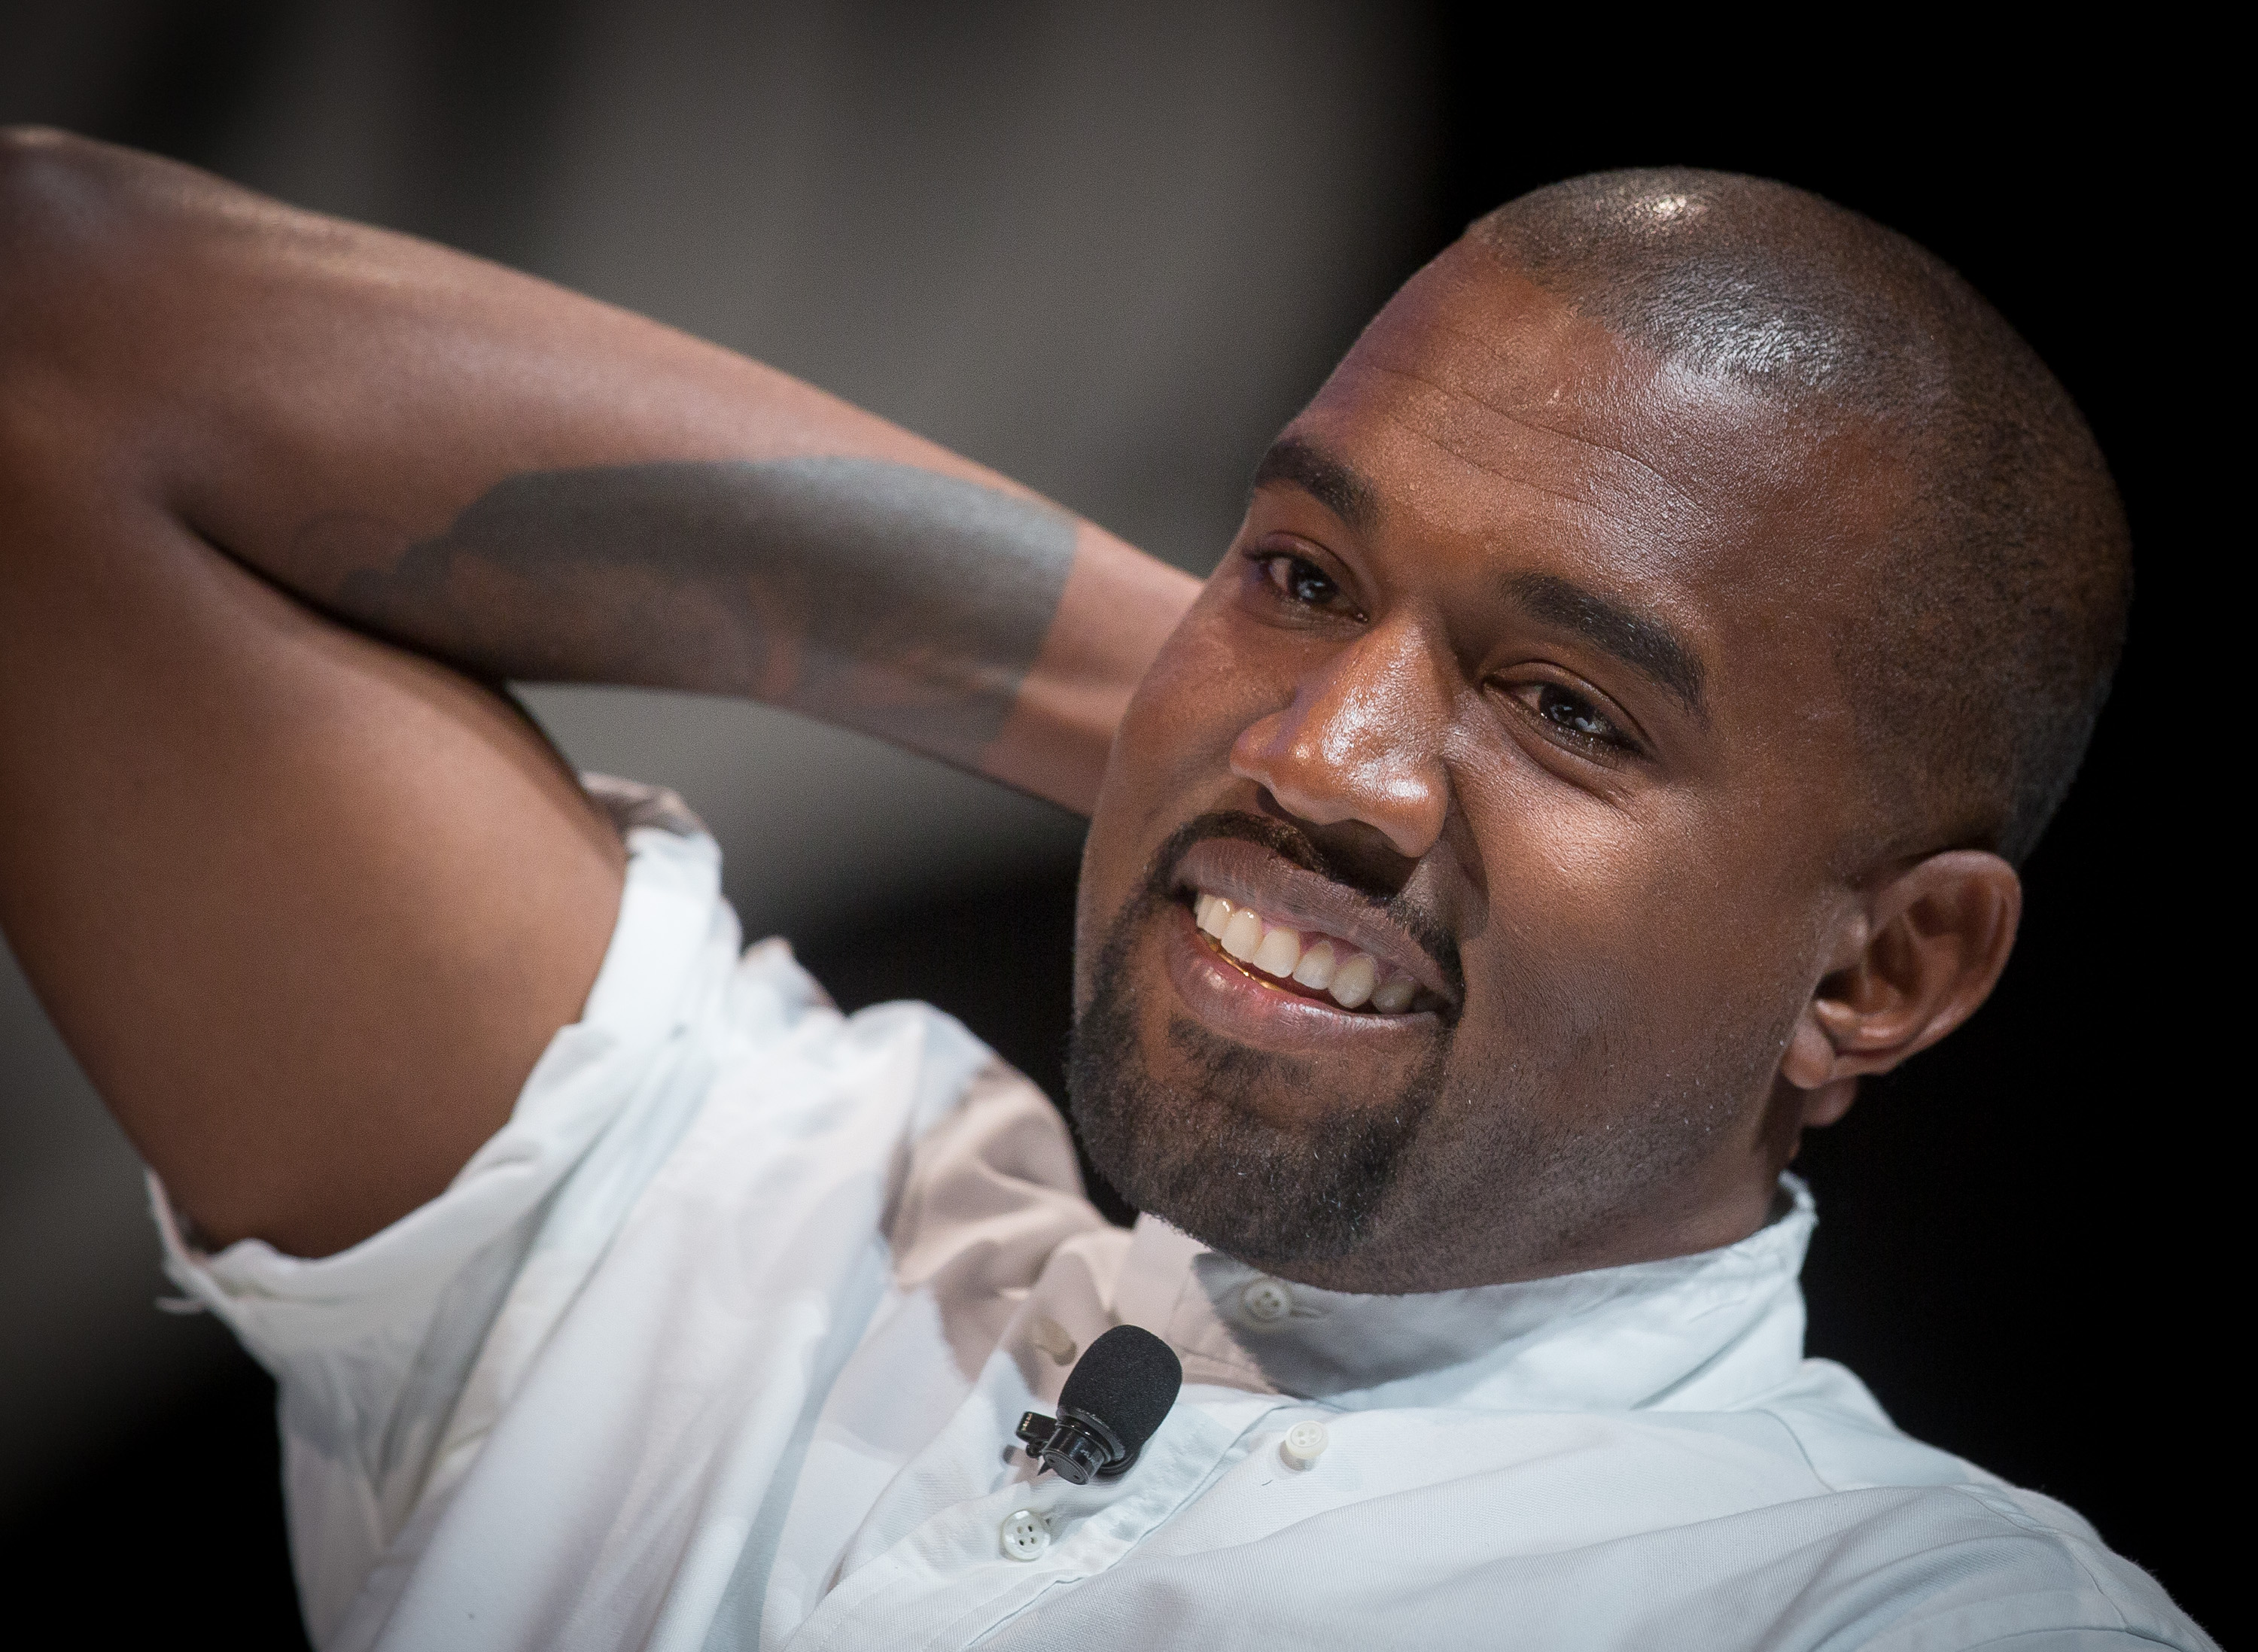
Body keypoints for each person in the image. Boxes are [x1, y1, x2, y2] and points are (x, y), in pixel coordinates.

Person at [0, 127, 2211, 1651]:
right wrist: (1200, 731)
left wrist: (1316, 790)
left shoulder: (1883, 1601)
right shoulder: (773, 1243)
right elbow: (63, 339)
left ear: (1888, 967)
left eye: (1579, 708)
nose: (1332, 748)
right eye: (1298, 569)